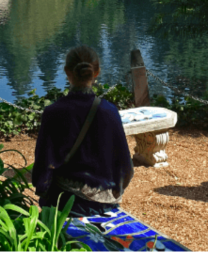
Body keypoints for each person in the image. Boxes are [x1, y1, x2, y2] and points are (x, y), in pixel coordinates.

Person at [32, 46, 134, 216]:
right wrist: (113, 193)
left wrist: (43, 190)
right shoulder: (109, 111)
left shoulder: (53, 112)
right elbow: (126, 168)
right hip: (104, 205)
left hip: (62, 203)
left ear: (67, 72)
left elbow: (42, 166)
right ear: (97, 72)